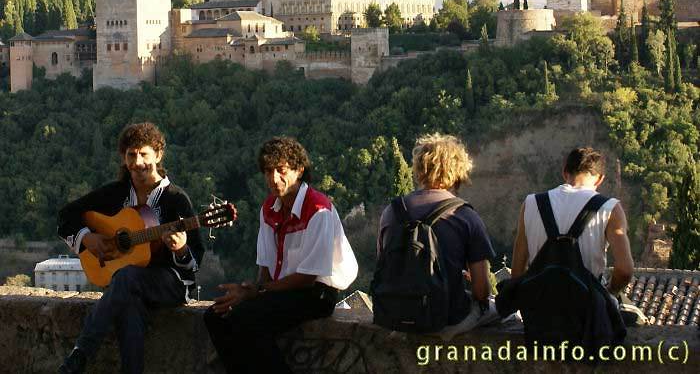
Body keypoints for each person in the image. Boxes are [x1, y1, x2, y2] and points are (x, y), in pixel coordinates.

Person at [57, 122, 206, 374]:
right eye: (131, 155)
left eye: (144, 154)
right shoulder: (115, 194)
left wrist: (180, 249)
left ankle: (81, 353)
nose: (137, 163)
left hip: (170, 282)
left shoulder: (176, 199)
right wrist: (87, 239)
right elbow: (66, 216)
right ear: (123, 158)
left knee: (125, 278)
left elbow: (195, 260)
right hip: (129, 283)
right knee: (127, 303)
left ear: (158, 155)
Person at [204, 136, 358, 374]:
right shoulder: (269, 209)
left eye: (281, 170)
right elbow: (265, 266)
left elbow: (308, 277)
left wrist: (257, 292)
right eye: (268, 171)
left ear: (299, 170)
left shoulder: (319, 210)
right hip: (281, 290)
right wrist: (249, 291)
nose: (274, 179)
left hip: (316, 294)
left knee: (248, 321)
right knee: (215, 317)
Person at [377, 133, 496, 339]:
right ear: (458, 171)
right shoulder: (465, 216)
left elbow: (384, 265)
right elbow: (481, 291)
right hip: (446, 318)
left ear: (419, 168)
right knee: (501, 310)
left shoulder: (391, 212)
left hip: (398, 315)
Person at [511, 146, 633, 294]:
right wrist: (610, 292)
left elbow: (517, 272)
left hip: (538, 310)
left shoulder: (531, 203)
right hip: (587, 310)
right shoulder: (610, 208)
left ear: (564, 173)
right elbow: (625, 270)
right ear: (600, 179)